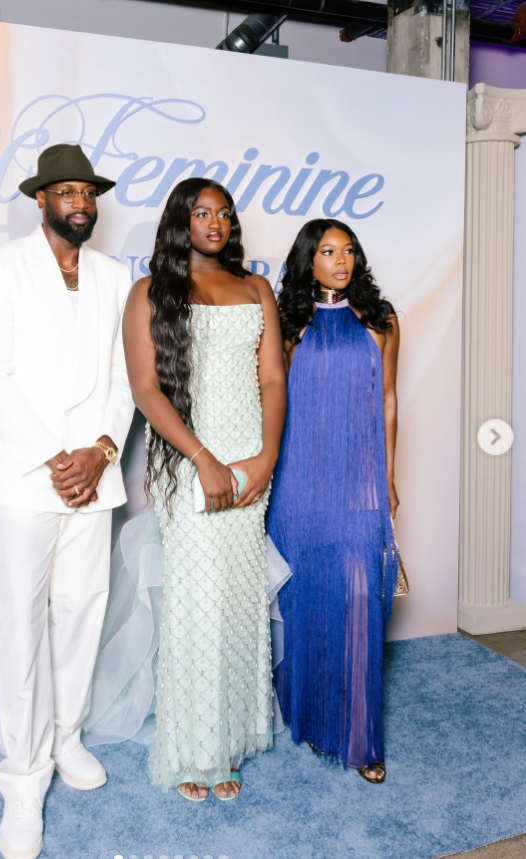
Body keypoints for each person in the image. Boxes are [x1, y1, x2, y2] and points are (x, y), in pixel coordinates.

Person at [0, 143, 134, 859]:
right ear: (41, 200)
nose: (79, 203)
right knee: (22, 626)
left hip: (95, 474)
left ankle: (67, 738)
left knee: (82, 613)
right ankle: (23, 777)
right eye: (65, 192)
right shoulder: (0, 265)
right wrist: (56, 458)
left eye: (87, 192)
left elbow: (129, 374)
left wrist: (99, 451)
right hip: (27, 475)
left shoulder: (114, 274)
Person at [122, 178, 287, 801]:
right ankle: (191, 746)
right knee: (197, 603)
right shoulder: (150, 293)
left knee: (240, 599)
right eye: (201, 212)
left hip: (249, 460)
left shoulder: (255, 289)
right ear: (180, 221)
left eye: (223, 213)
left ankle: (230, 740)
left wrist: (266, 457)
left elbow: (272, 378)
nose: (214, 222)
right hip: (189, 461)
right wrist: (202, 460)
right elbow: (146, 391)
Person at [266, 218, 400, 783]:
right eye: (327, 252)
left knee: (360, 600)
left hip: (357, 481)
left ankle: (361, 738)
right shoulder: (289, 325)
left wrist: (388, 476)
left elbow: (389, 401)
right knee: (302, 599)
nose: (341, 261)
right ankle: (304, 714)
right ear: (308, 260)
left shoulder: (381, 322)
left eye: (348, 251)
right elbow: (270, 403)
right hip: (298, 482)